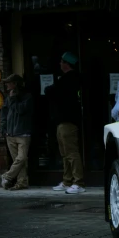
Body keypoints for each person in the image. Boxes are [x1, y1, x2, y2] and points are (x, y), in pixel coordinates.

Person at [44, 52, 85, 194]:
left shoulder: (71, 79)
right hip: (62, 121)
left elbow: (51, 91)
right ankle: (68, 180)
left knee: (71, 152)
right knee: (65, 153)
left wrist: (49, 89)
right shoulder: (66, 79)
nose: (60, 64)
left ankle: (78, 182)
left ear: (67, 64)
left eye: (62, 62)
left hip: (68, 121)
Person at [0, 74, 33, 191]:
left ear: (15, 84)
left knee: (21, 158)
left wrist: (13, 99)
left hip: (23, 133)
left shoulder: (27, 97)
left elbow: (21, 110)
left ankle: (7, 176)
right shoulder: (8, 98)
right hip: (10, 134)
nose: (6, 85)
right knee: (18, 162)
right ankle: (22, 183)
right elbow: (4, 114)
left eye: (9, 82)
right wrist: (3, 128)